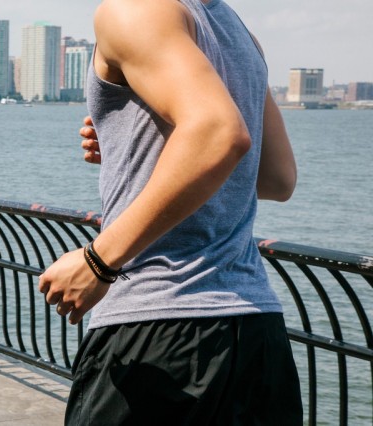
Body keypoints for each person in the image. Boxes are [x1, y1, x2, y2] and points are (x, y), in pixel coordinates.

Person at [38, 0, 302, 424]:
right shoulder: (240, 34)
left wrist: (98, 261)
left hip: (159, 328)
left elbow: (218, 133)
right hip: (257, 333)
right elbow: (276, 178)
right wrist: (134, 151)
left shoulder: (135, 9)